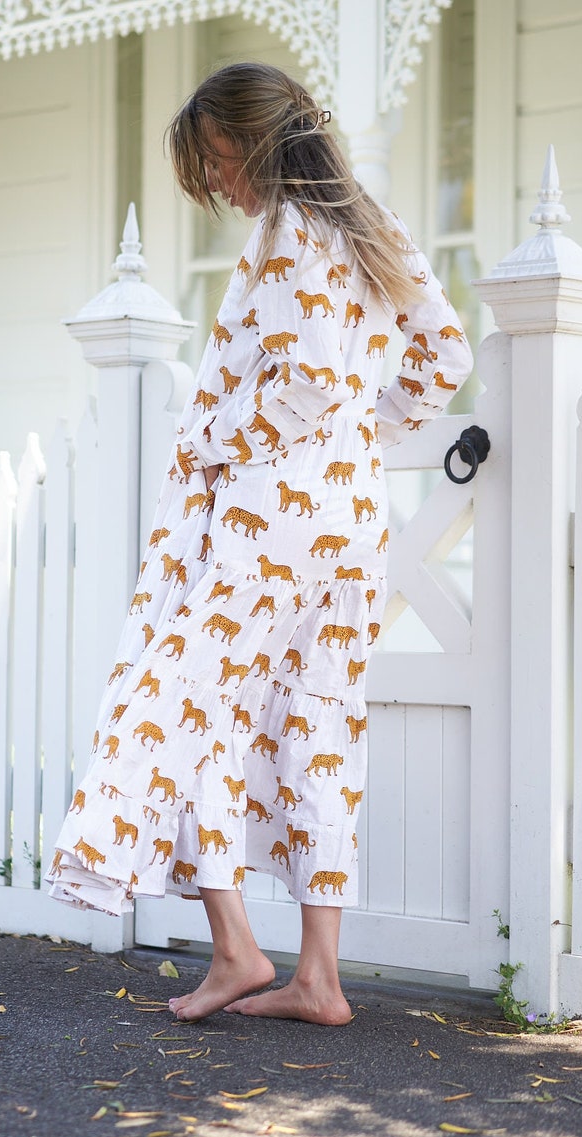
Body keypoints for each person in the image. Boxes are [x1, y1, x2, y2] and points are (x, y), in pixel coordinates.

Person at [46, 62, 473, 1025]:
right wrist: (365, 436)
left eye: (216, 161)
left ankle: (236, 949)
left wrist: (207, 440)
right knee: (317, 724)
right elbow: (445, 349)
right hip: (349, 520)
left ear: (253, 138)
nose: (218, 185)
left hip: (270, 519)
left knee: (184, 696)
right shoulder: (365, 221)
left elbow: (311, 383)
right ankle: (317, 979)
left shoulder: (287, 230)